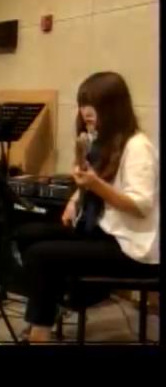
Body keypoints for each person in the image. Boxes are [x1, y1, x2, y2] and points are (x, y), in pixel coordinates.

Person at [18, 72, 159, 343]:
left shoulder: (138, 147)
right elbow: (96, 182)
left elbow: (140, 205)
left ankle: (40, 333)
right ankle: (54, 301)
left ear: (114, 108)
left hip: (131, 249)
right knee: (26, 234)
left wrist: (94, 185)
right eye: (83, 104)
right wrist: (75, 200)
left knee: (41, 255)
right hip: (102, 231)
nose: (85, 112)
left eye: (93, 105)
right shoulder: (103, 141)